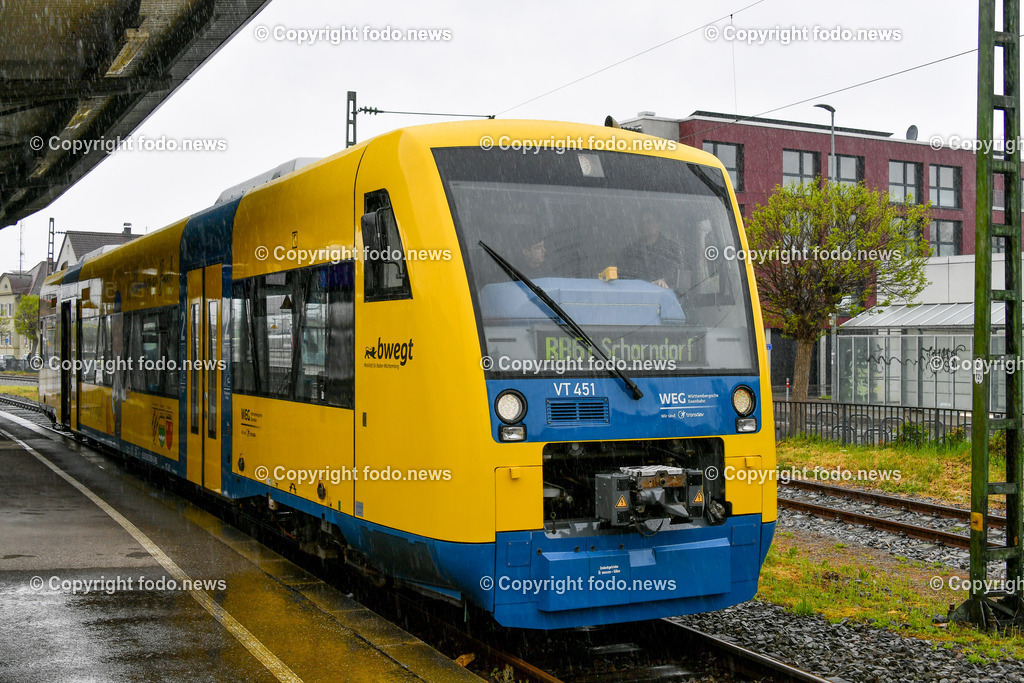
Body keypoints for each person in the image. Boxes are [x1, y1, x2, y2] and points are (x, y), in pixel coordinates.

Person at [621, 210, 684, 289]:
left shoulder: (672, 249)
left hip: (665, 297)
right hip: (637, 296)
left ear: (659, 224)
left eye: (649, 222)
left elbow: (678, 272)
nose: (645, 225)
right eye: (642, 222)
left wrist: (664, 280)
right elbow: (624, 277)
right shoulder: (630, 251)